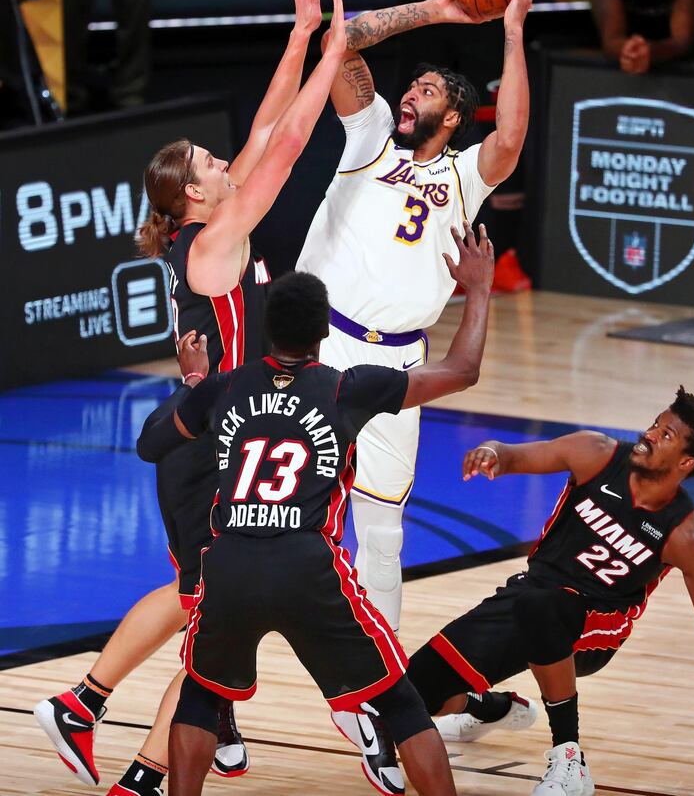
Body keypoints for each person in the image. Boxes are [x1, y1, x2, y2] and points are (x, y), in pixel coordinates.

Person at [33, 0, 346, 795]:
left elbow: (269, 120)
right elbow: (287, 142)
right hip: (214, 453)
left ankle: (84, 701)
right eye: (211, 160)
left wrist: (301, 30)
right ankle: (143, 773)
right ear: (197, 198)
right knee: (216, 630)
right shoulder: (216, 244)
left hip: (197, 441)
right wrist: (336, 53)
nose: (223, 157)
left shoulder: (206, 229)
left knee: (191, 598)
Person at [134, 223, 496, 796]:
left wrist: (195, 381)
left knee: (202, 695)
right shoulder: (346, 388)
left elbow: (150, 445)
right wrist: (477, 290)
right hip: (308, 565)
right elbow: (462, 371)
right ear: (324, 331)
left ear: (266, 328)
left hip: (230, 564)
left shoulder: (222, 388)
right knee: (399, 702)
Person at [297, 0, 540, 639]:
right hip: (321, 346)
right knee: (275, 510)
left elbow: (513, 136)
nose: (411, 93)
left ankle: (384, 685)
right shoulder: (370, 134)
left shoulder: (465, 176)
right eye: (413, 85)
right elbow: (337, 41)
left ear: (454, 115)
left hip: (398, 366)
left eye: (428, 90)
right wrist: (435, 10)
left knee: (380, 535)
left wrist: (513, 29)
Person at [391, 388, 694, 795]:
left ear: (685, 462)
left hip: (595, 628)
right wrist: (491, 451)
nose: (651, 434)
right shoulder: (596, 453)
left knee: (544, 604)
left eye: (666, 435)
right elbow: (512, 454)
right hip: (531, 596)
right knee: (407, 697)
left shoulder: (686, 538)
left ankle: (569, 758)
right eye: (656, 423)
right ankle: (489, 707)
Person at [378, 0, 536, 291]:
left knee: (500, 128)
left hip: (490, 14)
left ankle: (505, 255)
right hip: (433, 5)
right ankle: (418, 250)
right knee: (420, 125)